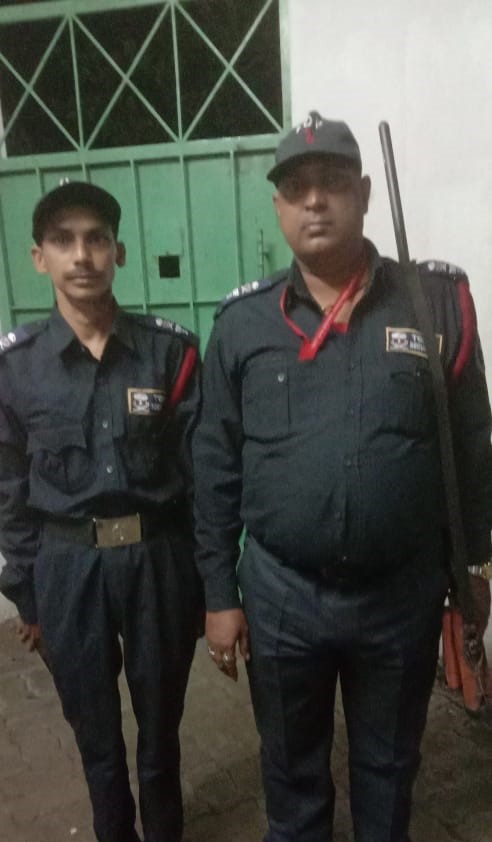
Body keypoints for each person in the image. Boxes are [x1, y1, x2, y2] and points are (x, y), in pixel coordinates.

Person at [192, 112, 492, 842]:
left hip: (401, 595)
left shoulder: (435, 300)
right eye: (297, 189)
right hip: (282, 596)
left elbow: (473, 445)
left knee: (389, 772)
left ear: (363, 194)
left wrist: (475, 566)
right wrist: (219, 594)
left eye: (331, 183)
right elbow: (215, 462)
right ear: (278, 208)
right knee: (291, 775)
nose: (315, 201)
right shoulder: (243, 323)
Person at [0, 181, 203, 842]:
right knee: (94, 732)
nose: (81, 255)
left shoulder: (170, 351)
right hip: (68, 567)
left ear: (119, 251)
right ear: (39, 257)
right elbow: (8, 489)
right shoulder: (15, 367)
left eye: (96, 239)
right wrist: (27, 592)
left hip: (158, 561)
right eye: (63, 240)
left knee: (161, 727)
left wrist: (208, 581)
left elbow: (201, 476)